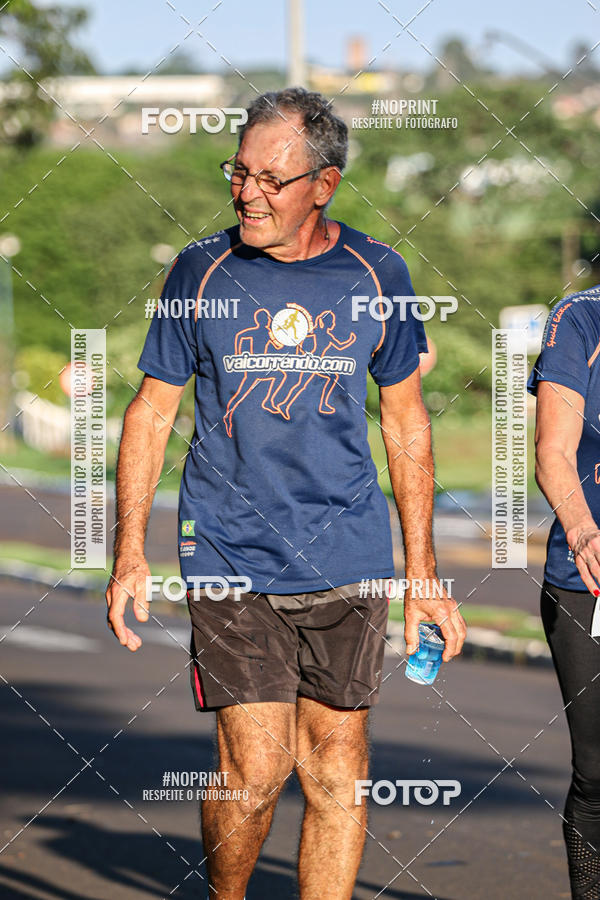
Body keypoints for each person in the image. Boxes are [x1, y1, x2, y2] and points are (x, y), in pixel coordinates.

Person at [105, 87, 466, 900]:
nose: (248, 192)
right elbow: (152, 410)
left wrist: (422, 574)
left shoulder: (379, 272)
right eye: (239, 172)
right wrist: (127, 550)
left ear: (324, 186)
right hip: (230, 550)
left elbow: (405, 425)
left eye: (272, 179)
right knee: (257, 768)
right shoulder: (202, 268)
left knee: (338, 770)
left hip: (348, 549)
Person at [528, 285, 600, 899]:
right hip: (590, 581)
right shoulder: (581, 318)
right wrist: (581, 528)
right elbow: (554, 450)